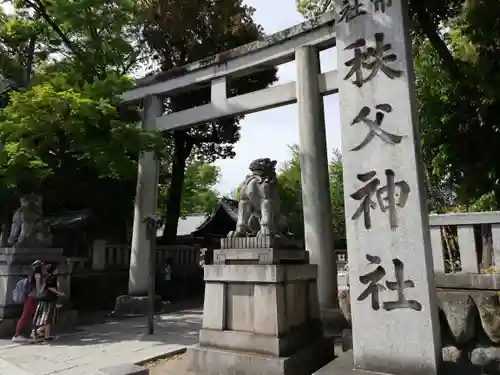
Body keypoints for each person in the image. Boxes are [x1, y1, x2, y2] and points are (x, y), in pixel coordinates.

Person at [12, 260, 44, 342]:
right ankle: (17, 335)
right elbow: (38, 289)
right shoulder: (38, 275)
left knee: (32, 316)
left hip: (29, 298)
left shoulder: (31, 275)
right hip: (32, 298)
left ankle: (34, 333)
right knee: (27, 316)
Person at [31, 262, 64, 342]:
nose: (58, 270)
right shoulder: (52, 277)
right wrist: (59, 293)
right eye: (56, 269)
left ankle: (44, 334)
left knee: (48, 318)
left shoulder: (49, 277)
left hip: (48, 299)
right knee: (48, 317)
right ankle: (42, 333)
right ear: (54, 270)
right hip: (49, 299)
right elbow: (50, 287)